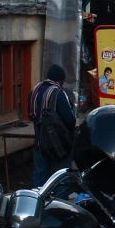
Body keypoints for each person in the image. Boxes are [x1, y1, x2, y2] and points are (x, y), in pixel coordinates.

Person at [28, 64, 76, 193]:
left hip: (39, 144)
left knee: (39, 181)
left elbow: (31, 116)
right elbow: (70, 121)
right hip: (58, 146)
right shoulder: (59, 93)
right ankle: (58, 209)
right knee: (60, 178)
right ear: (61, 80)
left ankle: (36, 207)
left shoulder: (34, 91)